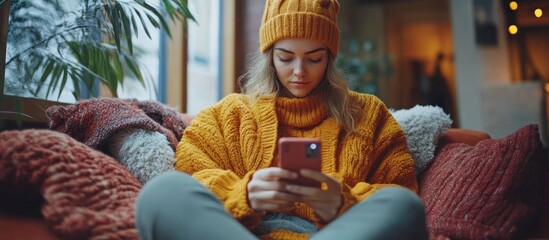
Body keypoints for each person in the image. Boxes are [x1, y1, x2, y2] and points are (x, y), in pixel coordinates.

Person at [135, 0, 429, 239]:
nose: (299, 71)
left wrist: (341, 201)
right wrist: (244, 194)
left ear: (329, 58)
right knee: (162, 193)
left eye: (314, 59)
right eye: (286, 58)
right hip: (238, 231)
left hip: (337, 233)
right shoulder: (229, 115)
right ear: (269, 56)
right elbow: (192, 176)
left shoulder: (369, 115)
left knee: (403, 206)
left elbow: (397, 191)